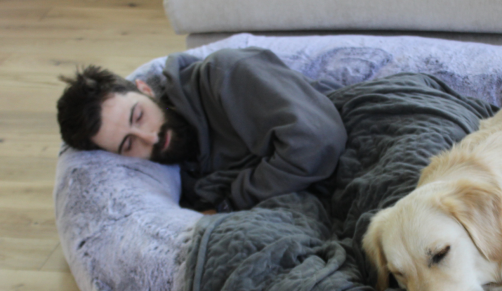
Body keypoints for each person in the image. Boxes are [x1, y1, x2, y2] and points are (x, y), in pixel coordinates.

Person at [56, 47, 348, 212]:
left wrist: (231, 203)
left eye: (139, 116)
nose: (149, 137)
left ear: (146, 89)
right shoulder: (177, 171)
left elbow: (318, 139)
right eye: (128, 144)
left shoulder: (224, 74)